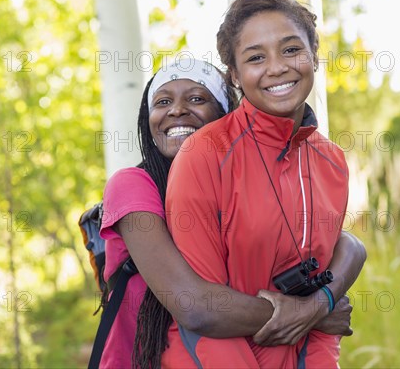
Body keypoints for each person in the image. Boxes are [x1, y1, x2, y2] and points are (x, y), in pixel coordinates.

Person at [99, 58, 365, 368]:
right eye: (162, 101)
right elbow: (195, 304)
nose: (177, 110)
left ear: (225, 114)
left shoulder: (240, 182)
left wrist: (322, 302)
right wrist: (312, 314)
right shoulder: (132, 186)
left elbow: (343, 242)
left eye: (197, 98)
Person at [163, 0, 363, 368]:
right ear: (235, 75)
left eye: (291, 50)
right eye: (256, 57)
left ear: (314, 57)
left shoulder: (332, 162)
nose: (277, 67)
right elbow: (204, 317)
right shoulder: (204, 155)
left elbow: (323, 312)